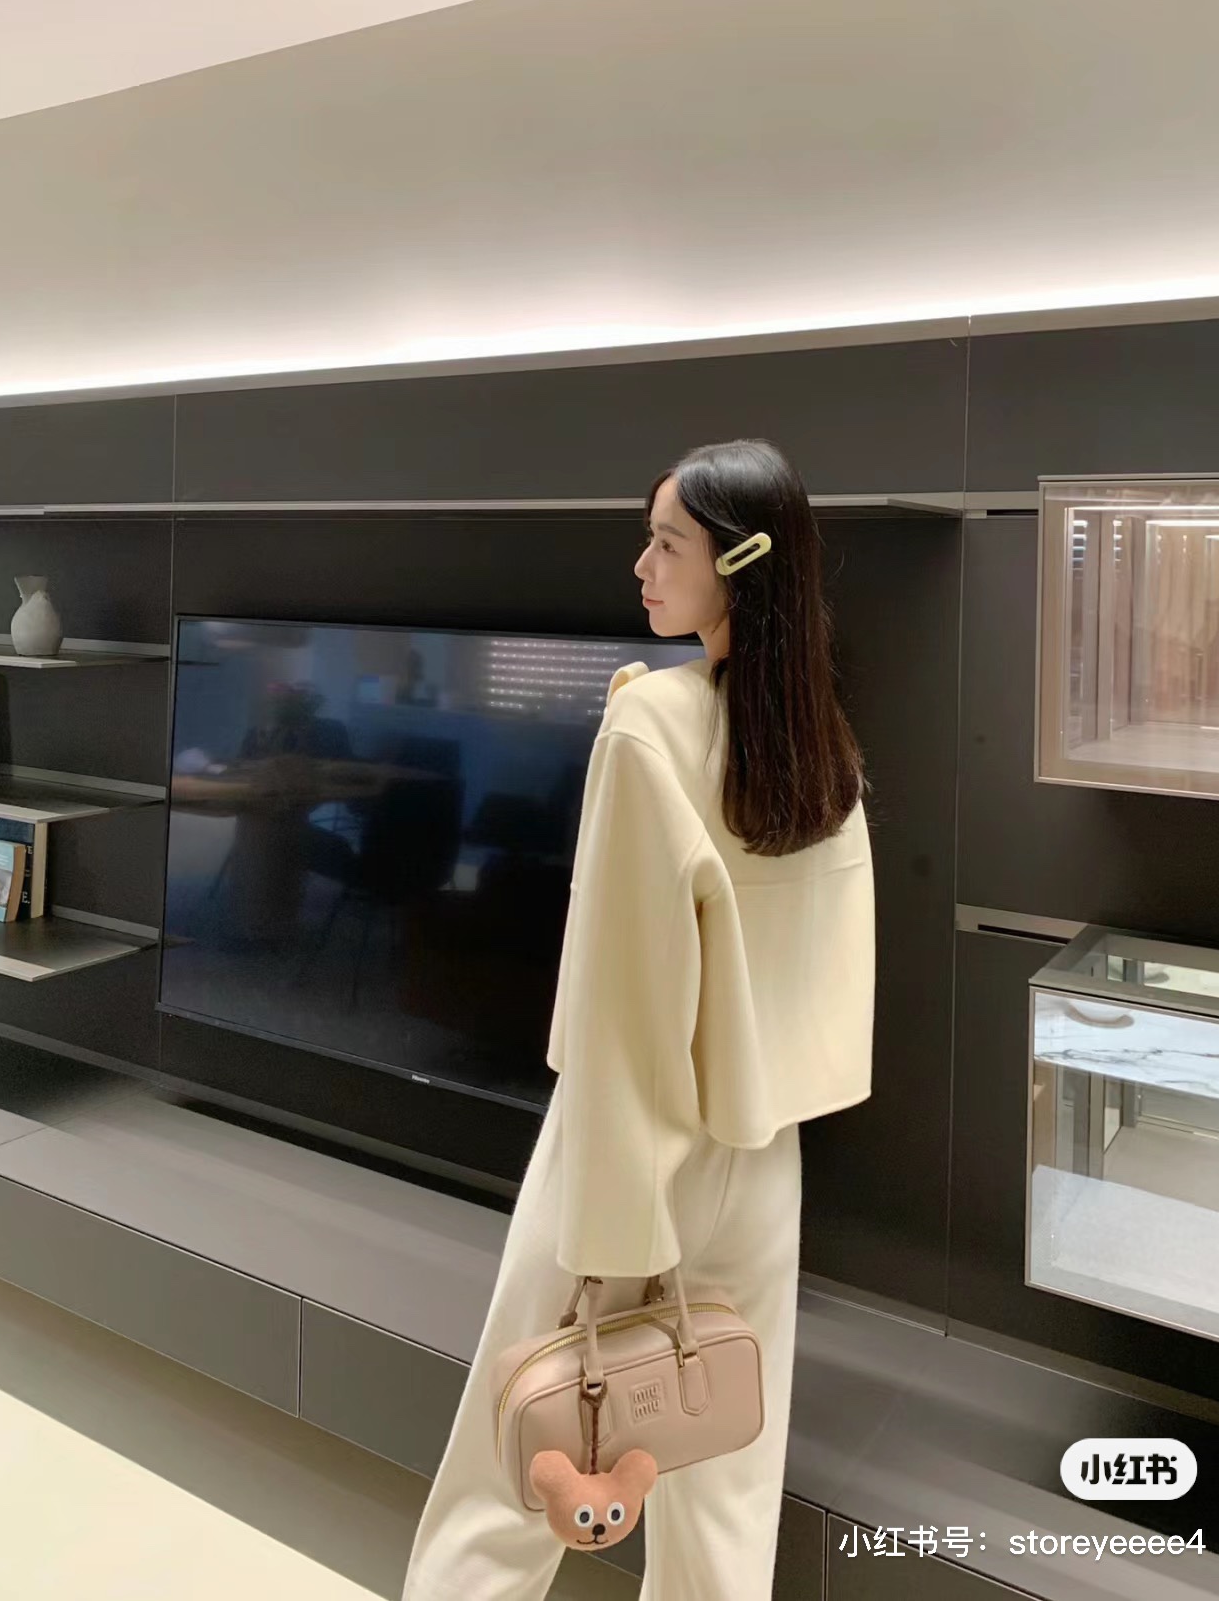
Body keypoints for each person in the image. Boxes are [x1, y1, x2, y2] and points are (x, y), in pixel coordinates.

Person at [401, 438, 875, 1601]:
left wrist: (616, 1230)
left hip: (631, 1150)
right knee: (725, 1475)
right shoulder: (818, 742)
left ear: (739, 565)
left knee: (515, 1466)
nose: (640, 566)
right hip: (763, 1155)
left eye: (667, 544)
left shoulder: (648, 725)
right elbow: (828, 972)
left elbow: (625, 997)